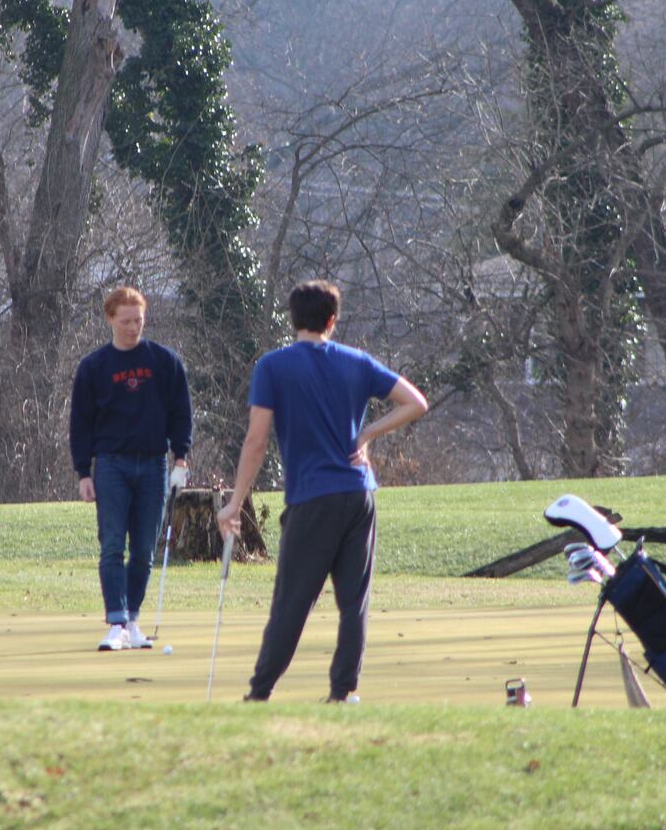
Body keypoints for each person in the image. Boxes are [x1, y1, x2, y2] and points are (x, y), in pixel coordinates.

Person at [217, 280, 428, 702]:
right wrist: (367, 432)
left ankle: (259, 693)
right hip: (358, 496)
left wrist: (235, 503)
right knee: (354, 601)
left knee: (293, 602)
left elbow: (256, 442)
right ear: (332, 320)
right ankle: (344, 691)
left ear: (292, 318)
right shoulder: (358, 362)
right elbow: (415, 402)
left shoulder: (273, 366)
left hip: (312, 499)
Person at [70, 286, 192, 652]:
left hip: (154, 463)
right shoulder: (94, 367)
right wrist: (83, 472)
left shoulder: (164, 362)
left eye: (138, 320)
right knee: (111, 546)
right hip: (110, 465)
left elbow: (180, 414)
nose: (132, 328)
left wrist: (181, 459)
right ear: (110, 319)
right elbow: (81, 424)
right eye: (125, 321)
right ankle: (116, 622)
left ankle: (132, 620)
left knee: (142, 550)